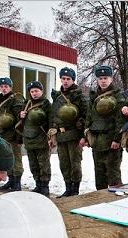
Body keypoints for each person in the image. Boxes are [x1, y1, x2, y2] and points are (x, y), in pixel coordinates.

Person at [84, 65, 125, 190]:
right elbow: (89, 117)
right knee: (99, 176)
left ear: (111, 79)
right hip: (97, 142)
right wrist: (87, 136)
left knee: (114, 176)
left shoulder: (117, 96)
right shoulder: (94, 96)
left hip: (111, 142)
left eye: (105, 78)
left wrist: (117, 139)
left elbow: (120, 120)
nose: (103, 81)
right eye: (100, 78)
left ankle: (116, 203)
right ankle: (100, 202)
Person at [51, 67, 88, 197]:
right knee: (64, 163)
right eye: (63, 79)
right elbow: (53, 117)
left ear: (73, 80)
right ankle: (68, 188)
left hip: (74, 135)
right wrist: (52, 136)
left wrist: (84, 136)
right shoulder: (57, 97)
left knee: (75, 164)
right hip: (61, 135)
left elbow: (86, 117)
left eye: (68, 79)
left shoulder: (79, 97)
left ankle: (75, 189)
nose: (65, 81)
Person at [17, 81, 53, 196]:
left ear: (42, 91)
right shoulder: (27, 103)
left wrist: (50, 137)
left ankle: (45, 186)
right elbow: (23, 122)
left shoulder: (46, 104)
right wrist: (20, 115)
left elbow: (51, 121)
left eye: (36, 91)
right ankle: (38, 185)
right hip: (29, 138)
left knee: (44, 164)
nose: (34, 93)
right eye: (32, 91)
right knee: (33, 164)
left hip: (41, 138)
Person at [0, 77, 25, 191]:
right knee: (7, 158)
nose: (3, 89)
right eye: (1, 87)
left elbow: (19, 122)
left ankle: (17, 182)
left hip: (13, 135)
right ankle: (11, 180)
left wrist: (19, 139)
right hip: (2, 134)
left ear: (11, 87)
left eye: (6, 87)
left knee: (16, 159)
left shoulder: (15, 101)